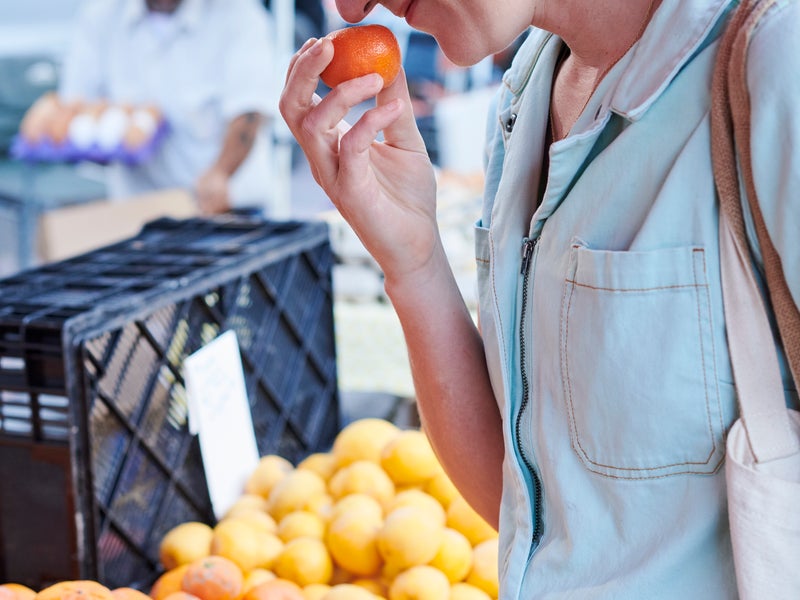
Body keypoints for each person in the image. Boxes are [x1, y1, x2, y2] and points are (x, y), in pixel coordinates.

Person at [281, 0, 800, 597]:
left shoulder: (775, 59)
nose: (354, 8)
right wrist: (413, 262)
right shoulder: (527, 88)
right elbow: (532, 514)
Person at [60, 0, 279, 215]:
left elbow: (249, 110)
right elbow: (78, 107)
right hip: (141, 213)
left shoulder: (238, 14)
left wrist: (220, 173)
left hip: (229, 210)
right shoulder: (101, 16)